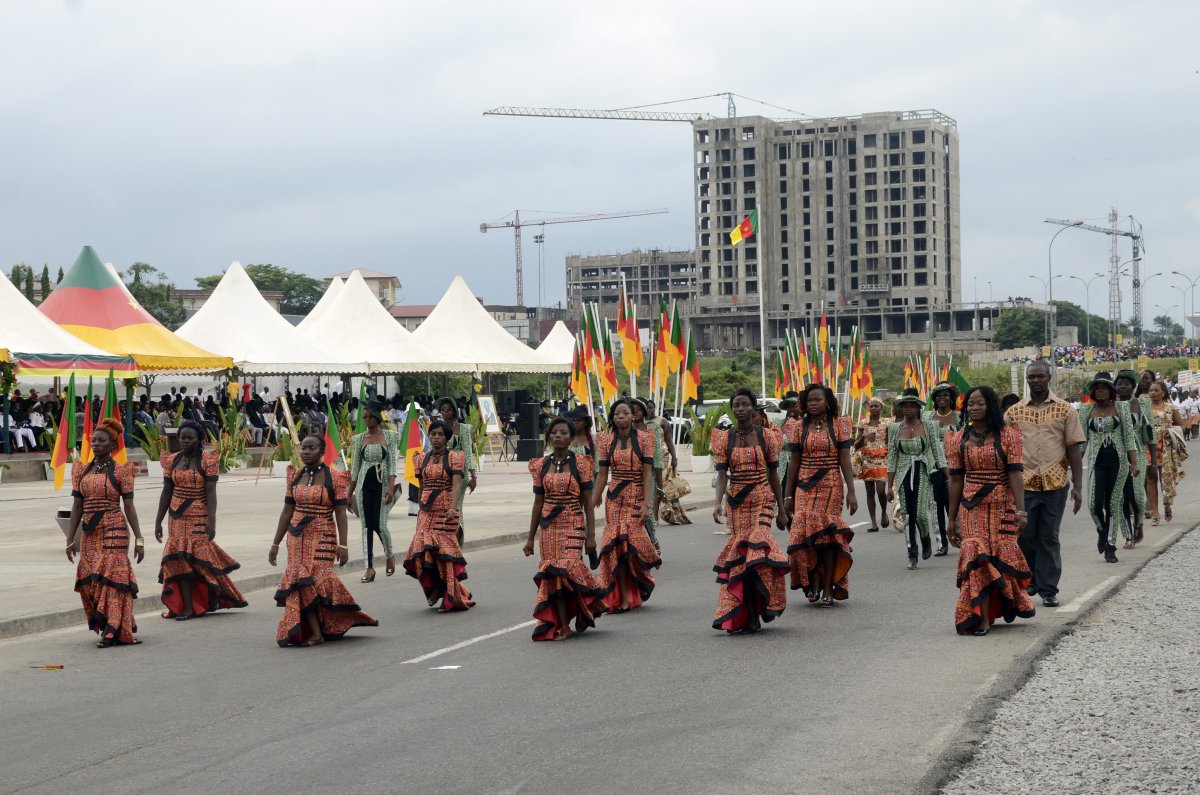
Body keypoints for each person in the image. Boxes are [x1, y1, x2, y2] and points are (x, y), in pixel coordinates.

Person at [268, 435, 377, 646]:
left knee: (319, 577)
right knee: (300, 581)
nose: (306, 452)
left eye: (311, 448)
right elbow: (286, 511)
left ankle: (336, 620)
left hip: (323, 534)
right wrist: (275, 543)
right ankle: (315, 632)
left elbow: (340, 512)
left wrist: (343, 544)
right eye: (303, 449)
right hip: (296, 536)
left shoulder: (334, 477)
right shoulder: (294, 476)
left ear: (321, 451)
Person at [946, 385, 1035, 636]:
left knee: (999, 557)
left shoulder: (1008, 435)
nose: (974, 408)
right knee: (976, 554)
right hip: (970, 506)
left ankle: (1005, 602)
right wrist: (951, 520)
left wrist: (1021, 511)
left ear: (991, 406)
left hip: (1002, 505)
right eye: (970, 404)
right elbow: (955, 480)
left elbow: (1015, 473)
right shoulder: (959, 438)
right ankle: (982, 618)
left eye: (980, 403)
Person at [1004, 361, 1084, 607]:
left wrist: (1078, 487)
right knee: (1025, 536)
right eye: (1031, 377)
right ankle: (1031, 579)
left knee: (1049, 536)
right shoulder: (1013, 413)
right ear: (1027, 379)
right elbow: (1005, 451)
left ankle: (1048, 588)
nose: (1036, 380)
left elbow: (1073, 449)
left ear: (1049, 378)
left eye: (1040, 376)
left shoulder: (1065, 410)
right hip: (1024, 484)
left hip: (1055, 483)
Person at [711, 388, 789, 633]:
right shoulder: (725, 438)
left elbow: (774, 473)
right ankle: (746, 613)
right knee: (741, 560)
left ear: (753, 408)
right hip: (736, 502)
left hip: (762, 497)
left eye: (745, 405)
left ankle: (760, 608)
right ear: (732, 409)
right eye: (736, 405)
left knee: (758, 551)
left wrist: (782, 509)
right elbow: (722, 474)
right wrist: (717, 502)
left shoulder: (767, 436)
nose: (741, 409)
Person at [154, 421, 247, 620]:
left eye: (190, 438)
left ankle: (198, 604)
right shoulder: (171, 460)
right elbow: (166, 491)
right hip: (176, 517)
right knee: (177, 560)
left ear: (199, 440)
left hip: (198, 515)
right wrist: (158, 521)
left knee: (197, 561)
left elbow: (211, 492)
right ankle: (184, 606)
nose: (185, 441)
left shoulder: (207, 460)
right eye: (182, 438)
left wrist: (211, 521)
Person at [522, 417, 605, 641]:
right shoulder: (540, 465)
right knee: (553, 574)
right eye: (554, 432)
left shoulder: (582, 463)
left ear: (571, 438)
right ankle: (563, 624)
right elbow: (538, 503)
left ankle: (589, 604)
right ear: (549, 437)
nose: (558, 436)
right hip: (548, 527)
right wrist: (530, 538)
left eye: (563, 433)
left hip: (573, 523)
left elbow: (587, 501)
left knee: (569, 568)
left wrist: (591, 535)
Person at [64, 418, 144, 647]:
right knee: (90, 580)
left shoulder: (122, 471)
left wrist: (139, 539)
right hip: (90, 532)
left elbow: (129, 506)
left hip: (115, 528)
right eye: (93, 440)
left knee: (113, 579)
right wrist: (70, 539)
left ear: (113, 446)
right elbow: (77, 507)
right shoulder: (81, 470)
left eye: (101, 441)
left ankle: (112, 630)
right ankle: (110, 624)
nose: (96, 444)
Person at [783, 383, 858, 605]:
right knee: (804, 537)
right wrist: (788, 497)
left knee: (825, 538)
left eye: (818, 400)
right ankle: (812, 583)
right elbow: (793, 463)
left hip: (831, 485)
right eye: (809, 400)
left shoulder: (839, 424)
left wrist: (851, 492)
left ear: (828, 402)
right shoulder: (798, 427)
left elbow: (845, 459)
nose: (813, 404)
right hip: (804, 486)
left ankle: (827, 586)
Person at [593, 398, 661, 613]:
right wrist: (594, 497)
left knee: (633, 546)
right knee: (616, 547)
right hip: (614, 499)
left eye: (625, 413)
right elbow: (603, 474)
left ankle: (641, 581)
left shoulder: (645, 438)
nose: (620, 417)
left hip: (636, 495)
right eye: (616, 414)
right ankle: (622, 597)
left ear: (633, 416)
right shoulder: (605, 440)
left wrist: (645, 504)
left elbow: (647, 472)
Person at [402, 419, 475, 611]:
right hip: (426, 511)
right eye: (433, 434)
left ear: (447, 437)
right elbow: (421, 487)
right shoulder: (421, 458)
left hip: (446, 512)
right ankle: (435, 588)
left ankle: (449, 596)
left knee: (444, 555)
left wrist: (453, 508)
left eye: (440, 434)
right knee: (419, 551)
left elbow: (457, 484)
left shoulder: (455, 457)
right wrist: (419, 511)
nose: (436, 438)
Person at [1076, 373, 1139, 564]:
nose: (1101, 391)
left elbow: (1129, 437)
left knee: (1113, 504)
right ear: (1094, 392)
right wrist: (1072, 465)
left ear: (1111, 391)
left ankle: (1111, 547)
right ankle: (1102, 531)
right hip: (1097, 463)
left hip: (1118, 462)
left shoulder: (1121, 407)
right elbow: (1081, 441)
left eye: (1104, 388)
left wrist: (1134, 463)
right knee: (1094, 505)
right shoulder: (1086, 410)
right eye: (1098, 388)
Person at [887, 388, 948, 569]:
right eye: (905, 406)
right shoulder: (894, 429)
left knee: (920, 514)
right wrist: (889, 486)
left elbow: (937, 451)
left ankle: (925, 538)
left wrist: (947, 477)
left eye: (912, 406)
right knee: (907, 515)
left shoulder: (929, 426)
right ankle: (911, 553)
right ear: (901, 409)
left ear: (918, 408)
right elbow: (891, 458)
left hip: (922, 470)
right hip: (903, 473)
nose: (908, 410)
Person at [348, 400, 399, 583]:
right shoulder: (359, 439)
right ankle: (368, 567)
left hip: (383, 485)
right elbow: (355, 468)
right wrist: (349, 493)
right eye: (365, 417)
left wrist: (391, 488)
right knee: (366, 526)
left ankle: (389, 554)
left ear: (378, 417)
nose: (367, 420)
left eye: (370, 416)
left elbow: (392, 463)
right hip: (363, 486)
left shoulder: (391, 437)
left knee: (380, 524)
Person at [1114, 370, 1153, 547]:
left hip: (1138, 453)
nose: (1122, 386)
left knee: (1137, 496)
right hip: (1117, 454)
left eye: (1126, 383)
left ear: (1133, 386)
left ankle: (1139, 523)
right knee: (1121, 497)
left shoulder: (1142, 403)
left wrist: (1155, 463)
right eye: (1119, 383)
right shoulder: (1110, 405)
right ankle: (1128, 534)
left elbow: (1149, 433)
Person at [925, 381, 961, 555]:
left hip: (956, 467)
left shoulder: (960, 417)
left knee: (955, 503)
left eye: (946, 395)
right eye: (939, 395)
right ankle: (941, 543)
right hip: (933, 467)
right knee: (935, 504)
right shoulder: (927, 417)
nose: (942, 398)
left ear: (951, 398)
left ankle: (960, 537)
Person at [437, 398, 477, 540]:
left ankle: (457, 540)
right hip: (442, 474)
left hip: (459, 474)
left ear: (454, 411)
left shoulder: (463, 428)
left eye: (448, 409)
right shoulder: (438, 428)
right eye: (443, 410)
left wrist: (473, 476)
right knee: (443, 507)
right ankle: (445, 540)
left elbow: (468, 451)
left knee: (456, 506)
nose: (445, 412)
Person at [1147, 380, 1186, 525]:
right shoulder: (1145, 408)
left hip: (1166, 447)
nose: (1152, 393)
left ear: (1163, 392)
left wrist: (1172, 432)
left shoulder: (1171, 407)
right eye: (1151, 390)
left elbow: (1182, 425)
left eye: (1156, 390)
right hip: (1148, 447)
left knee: (1166, 479)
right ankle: (1155, 513)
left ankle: (1167, 505)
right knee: (1151, 478)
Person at [645, 398, 688, 528]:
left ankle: (655, 517)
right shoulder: (640, 423)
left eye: (651, 407)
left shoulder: (662, 422)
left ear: (655, 408)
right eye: (647, 408)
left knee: (659, 486)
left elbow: (669, 441)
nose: (649, 410)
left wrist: (674, 458)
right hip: (646, 458)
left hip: (662, 457)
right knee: (648, 486)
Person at [852, 397, 890, 532]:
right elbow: (855, 445)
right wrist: (863, 437)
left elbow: (891, 441)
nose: (873, 408)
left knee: (880, 491)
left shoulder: (887, 423)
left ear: (881, 408)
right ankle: (874, 523)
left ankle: (884, 512)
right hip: (867, 460)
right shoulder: (863, 423)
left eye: (876, 406)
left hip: (883, 459)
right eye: (871, 406)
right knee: (869, 492)